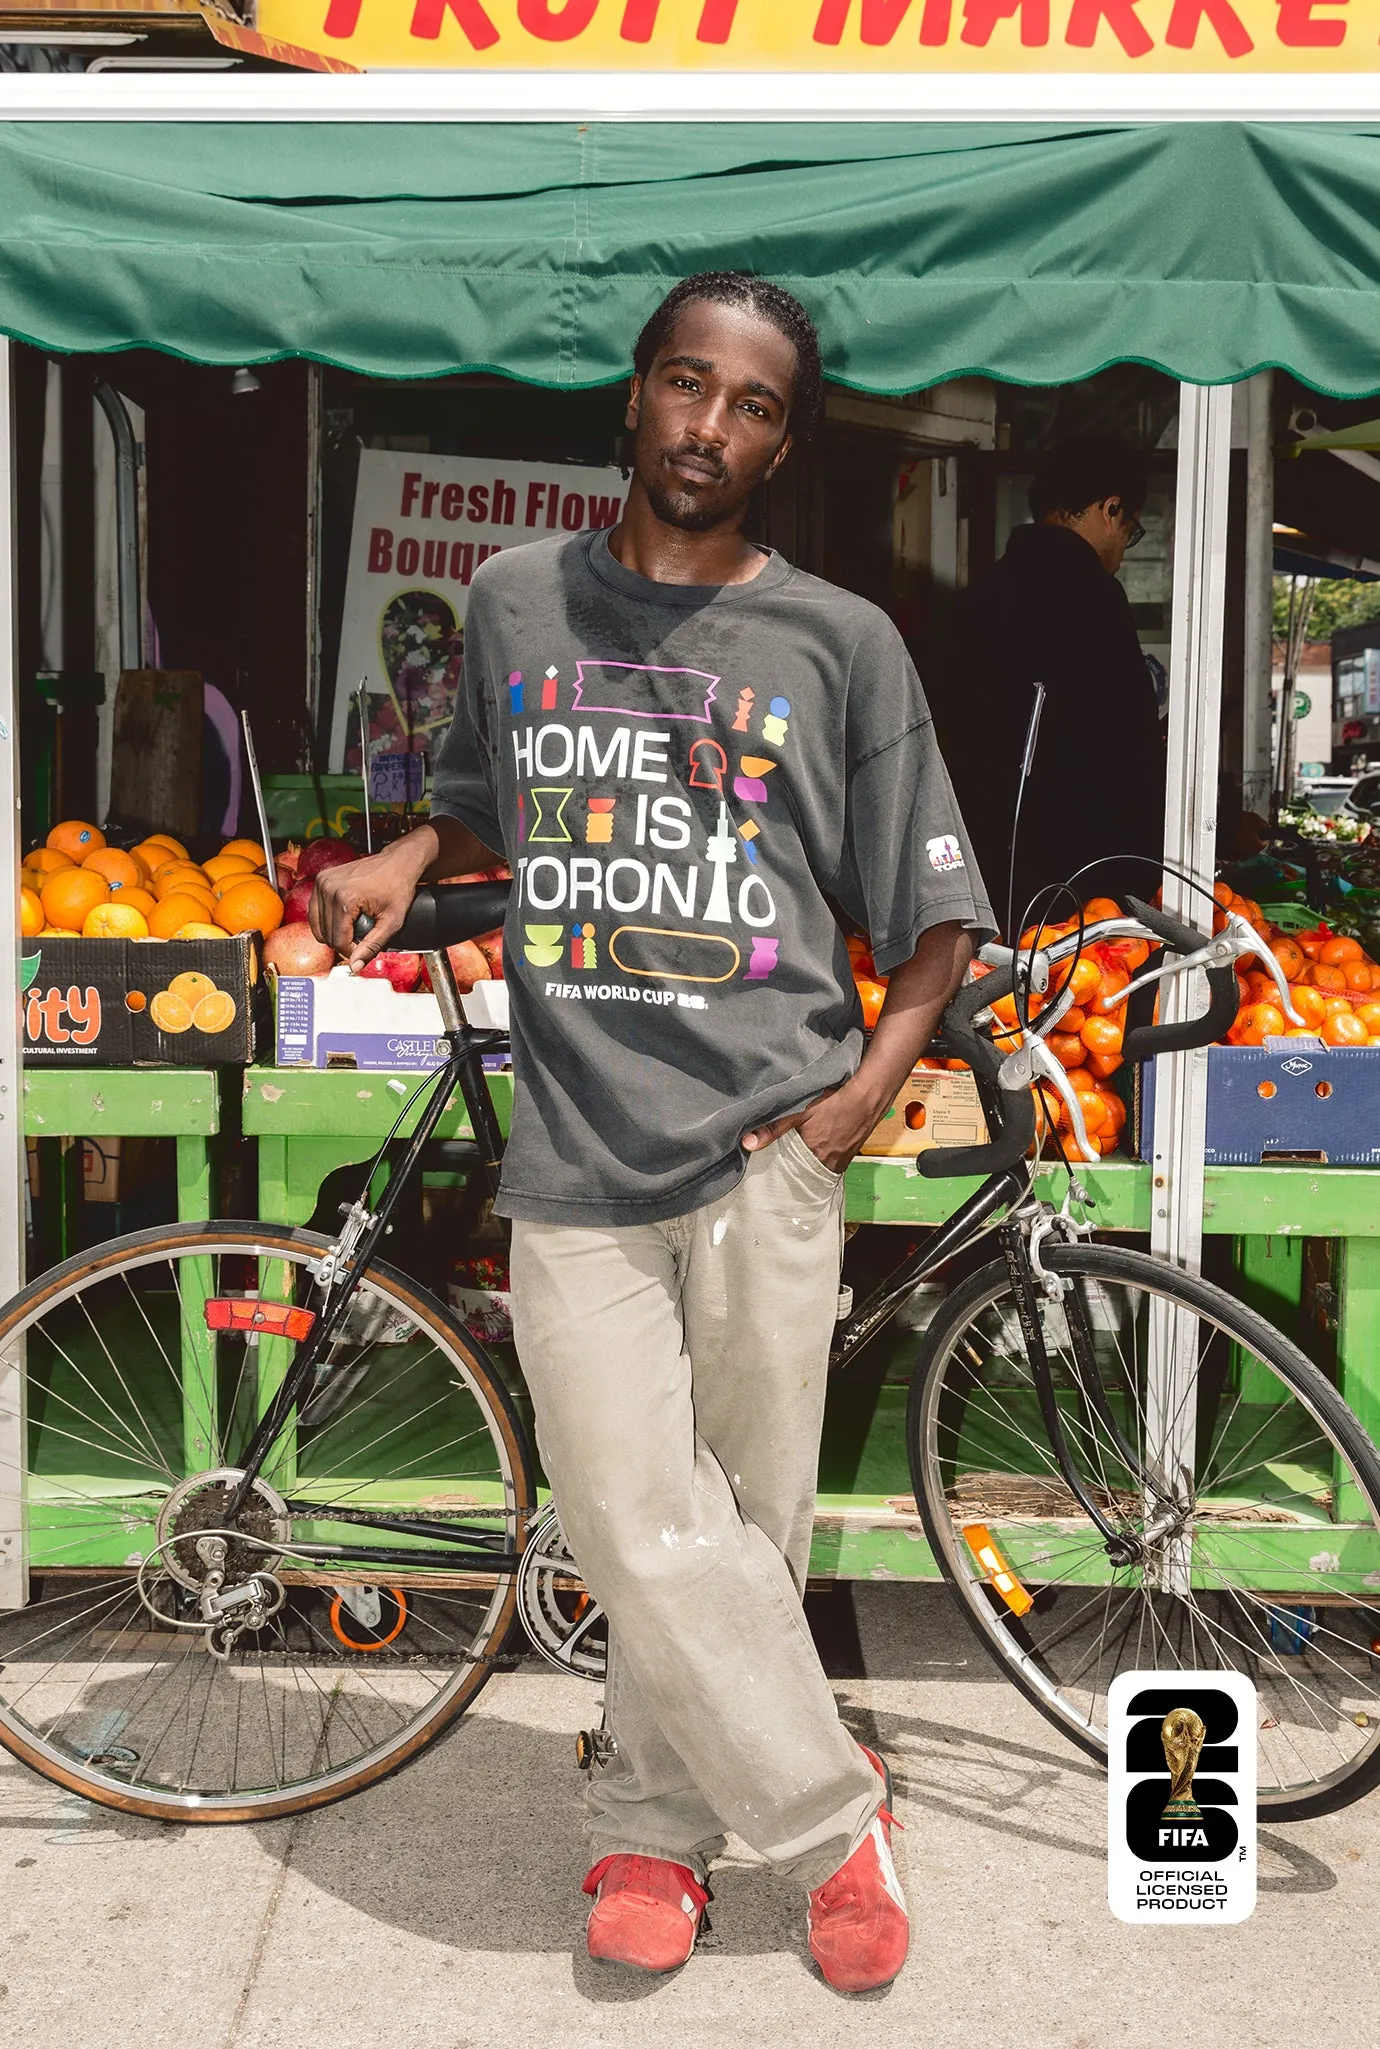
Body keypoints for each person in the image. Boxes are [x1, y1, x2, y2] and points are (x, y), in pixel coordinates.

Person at [312, 271, 992, 1995]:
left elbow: (938, 922)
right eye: (687, 386)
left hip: (772, 1136)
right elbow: (491, 797)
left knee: (743, 1525)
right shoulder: (513, 596)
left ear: (781, 439)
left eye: (752, 404)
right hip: (580, 1140)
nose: (711, 426)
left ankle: (653, 1829)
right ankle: (842, 1820)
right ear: (633, 399)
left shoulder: (841, 639)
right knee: (629, 1511)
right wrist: (412, 854)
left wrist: (848, 1107)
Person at [939, 434, 1164, 936]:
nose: (1124, 551)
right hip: (1077, 883)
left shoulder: (981, 594)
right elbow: (1125, 749)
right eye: (1131, 531)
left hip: (977, 865)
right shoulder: (1093, 597)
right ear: (1111, 508)